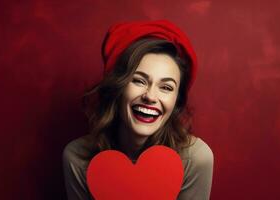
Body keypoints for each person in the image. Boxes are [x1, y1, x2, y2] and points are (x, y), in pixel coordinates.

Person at [62, 20, 214, 200]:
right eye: (138, 81)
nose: (150, 96)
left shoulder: (195, 158)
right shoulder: (78, 158)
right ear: (117, 87)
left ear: (176, 101)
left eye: (166, 87)